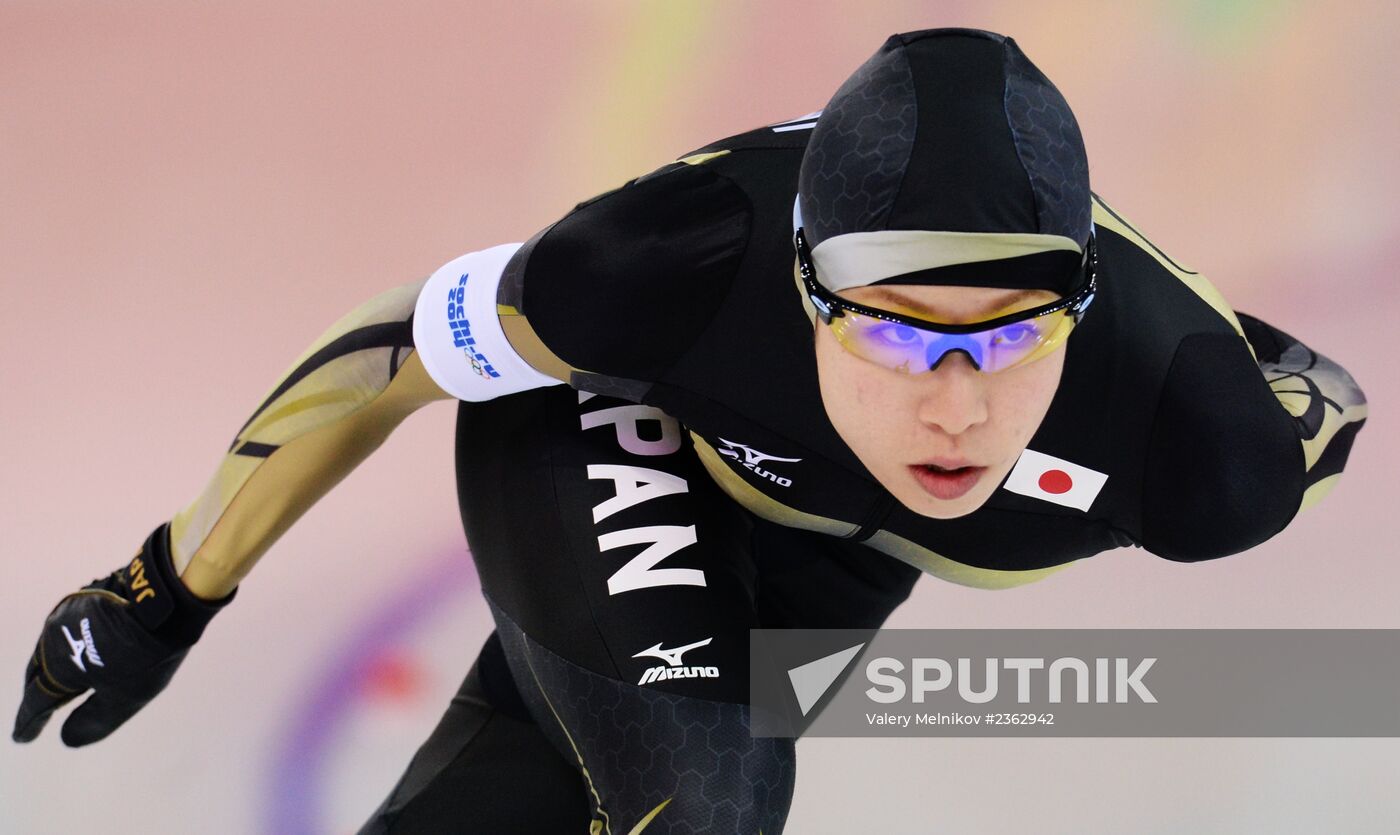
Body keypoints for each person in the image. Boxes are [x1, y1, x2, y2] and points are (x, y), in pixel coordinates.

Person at [13, 28, 1366, 834]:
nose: (955, 400)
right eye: (892, 328)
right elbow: (389, 358)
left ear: (1082, 313)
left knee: (596, 781)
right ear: (799, 286)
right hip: (619, 429)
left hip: (824, 566)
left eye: (1011, 334)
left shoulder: (1207, 454)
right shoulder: (665, 266)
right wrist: (163, 587)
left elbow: (1308, 400)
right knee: (691, 806)